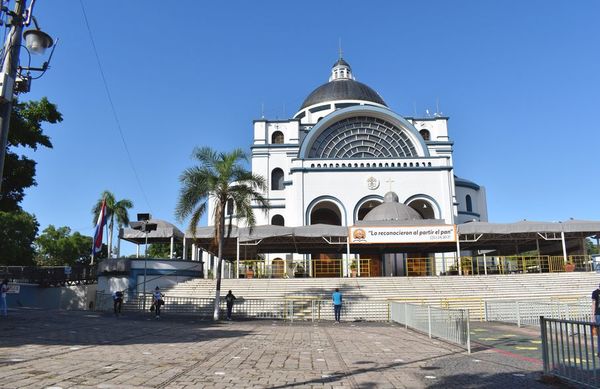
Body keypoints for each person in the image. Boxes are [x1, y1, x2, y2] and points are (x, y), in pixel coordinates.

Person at [592, 284, 600, 356]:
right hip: (598, 315)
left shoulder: (595, 292)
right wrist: (593, 315)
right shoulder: (595, 292)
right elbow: (594, 304)